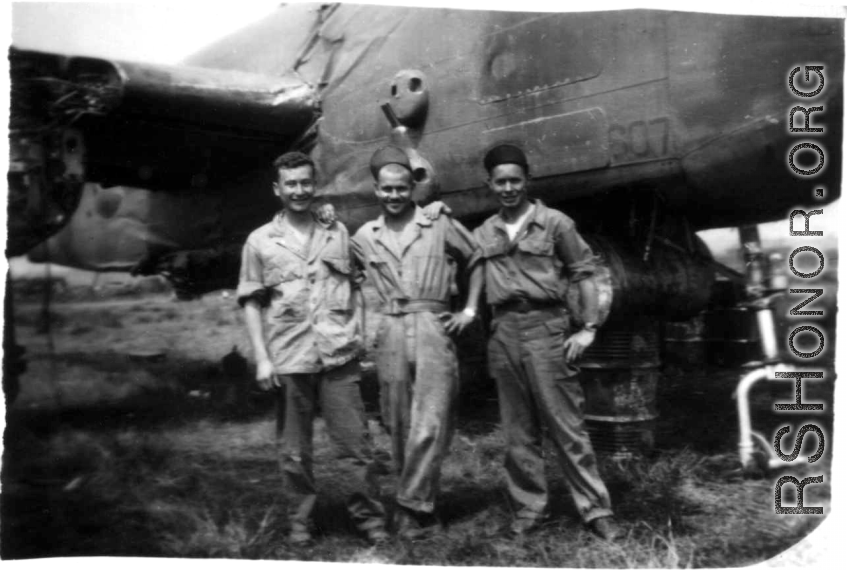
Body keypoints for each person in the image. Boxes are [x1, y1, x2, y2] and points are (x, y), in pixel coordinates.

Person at [237, 151, 387, 545]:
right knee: (293, 452)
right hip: (290, 358)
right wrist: (263, 359)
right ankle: (301, 522)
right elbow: (251, 302)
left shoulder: (336, 232)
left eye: (306, 183)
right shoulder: (260, 242)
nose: (299, 190)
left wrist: (358, 335)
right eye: (291, 184)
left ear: (314, 185)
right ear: (278, 189)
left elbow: (355, 287)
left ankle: (369, 519)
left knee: (356, 447)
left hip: (338, 355)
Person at [473, 143, 619, 541]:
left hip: (547, 329)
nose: (508, 188)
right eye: (500, 181)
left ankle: (595, 509)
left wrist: (588, 327)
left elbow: (584, 273)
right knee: (518, 431)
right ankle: (528, 507)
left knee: (567, 426)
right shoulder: (483, 232)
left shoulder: (555, 223)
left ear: (528, 181)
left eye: (515, 181)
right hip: (504, 333)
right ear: (489, 184)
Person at [351, 145, 482, 539]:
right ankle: (421, 510)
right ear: (376, 190)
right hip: (390, 329)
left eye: (402, 189)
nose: (394, 196)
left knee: (433, 420)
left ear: (412, 189)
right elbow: (348, 276)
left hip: (432, 324)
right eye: (387, 189)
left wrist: (470, 311)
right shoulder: (363, 236)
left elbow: (477, 258)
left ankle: (410, 507)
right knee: (397, 422)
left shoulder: (437, 222)